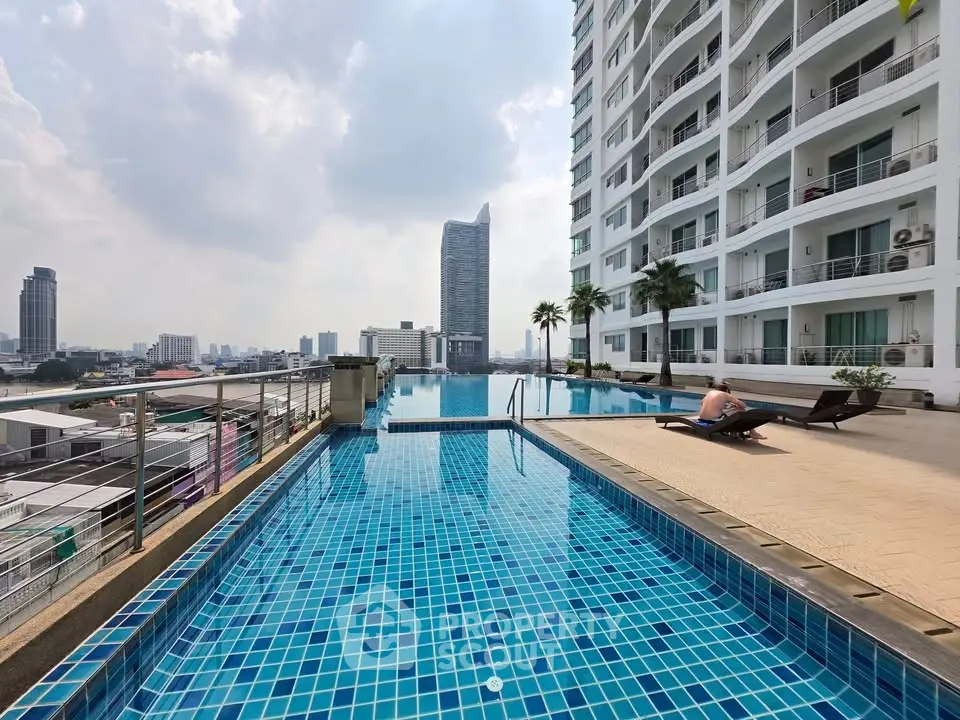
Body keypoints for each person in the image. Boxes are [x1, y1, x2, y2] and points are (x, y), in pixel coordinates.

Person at [697, 382, 766, 440]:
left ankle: (737, 432)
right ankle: (753, 432)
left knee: (730, 411)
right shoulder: (726, 394)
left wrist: (723, 406)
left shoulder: (710, 392)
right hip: (713, 421)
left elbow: (702, 402)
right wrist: (734, 406)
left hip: (702, 418)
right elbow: (743, 405)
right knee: (741, 410)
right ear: (726, 390)